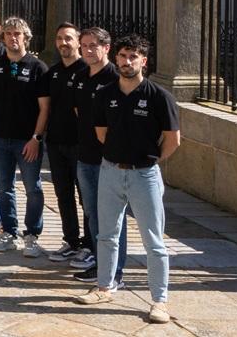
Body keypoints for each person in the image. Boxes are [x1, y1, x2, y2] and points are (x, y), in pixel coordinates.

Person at [77, 34, 180, 325]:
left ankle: (159, 301)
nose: (127, 61)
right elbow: (101, 133)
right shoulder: (105, 94)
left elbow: (173, 140)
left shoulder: (159, 97)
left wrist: (149, 161)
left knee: (153, 241)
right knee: (107, 235)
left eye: (133, 56)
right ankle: (104, 287)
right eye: (123, 56)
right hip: (110, 172)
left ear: (143, 61)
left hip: (144, 175)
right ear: (117, 58)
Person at [0, 17, 50, 256]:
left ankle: (32, 234)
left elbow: (44, 107)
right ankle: (9, 232)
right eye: (9, 33)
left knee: (33, 188)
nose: (13, 37)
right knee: (4, 188)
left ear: (26, 38)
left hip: (27, 140)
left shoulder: (38, 67)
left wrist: (36, 138)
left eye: (17, 33)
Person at [69, 27, 127, 286]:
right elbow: (78, 111)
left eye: (94, 45)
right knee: (92, 212)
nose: (89, 50)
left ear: (106, 48)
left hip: (109, 160)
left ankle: (116, 272)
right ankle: (99, 262)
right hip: (85, 156)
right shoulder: (80, 76)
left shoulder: (115, 78)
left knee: (113, 217)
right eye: (84, 45)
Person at [43, 23, 88, 263]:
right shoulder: (53, 72)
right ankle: (71, 240)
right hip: (56, 143)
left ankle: (89, 245)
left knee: (85, 197)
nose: (64, 43)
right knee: (63, 195)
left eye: (69, 38)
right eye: (60, 38)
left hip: (81, 145)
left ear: (78, 41)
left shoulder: (87, 70)